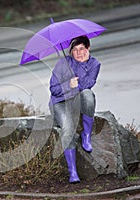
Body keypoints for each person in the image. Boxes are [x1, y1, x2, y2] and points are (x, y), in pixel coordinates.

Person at [48, 35, 101, 183]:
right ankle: (73, 172)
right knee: (68, 128)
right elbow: (53, 90)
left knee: (88, 94)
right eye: (75, 50)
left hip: (78, 101)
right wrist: (68, 85)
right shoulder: (62, 63)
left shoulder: (94, 64)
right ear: (70, 52)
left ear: (88, 49)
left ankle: (86, 136)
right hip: (60, 103)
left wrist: (81, 66)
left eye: (82, 49)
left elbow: (87, 85)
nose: (78, 53)